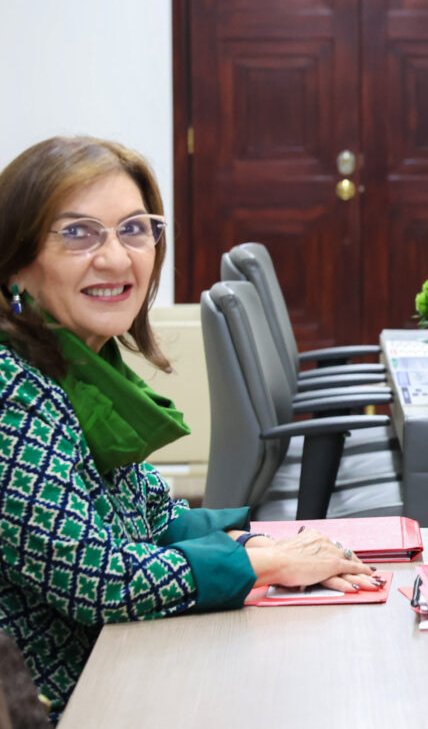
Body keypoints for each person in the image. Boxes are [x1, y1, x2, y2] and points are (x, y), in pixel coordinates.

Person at [0, 136, 380, 721]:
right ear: (15, 261)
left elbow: (152, 516)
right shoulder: (12, 391)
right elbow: (97, 579)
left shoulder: (82, 362)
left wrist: (261, 544)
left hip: (128, 668)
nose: (116, 259)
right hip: (68, 706)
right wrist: (265, 565)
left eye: (134, 229)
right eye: (78, 233)